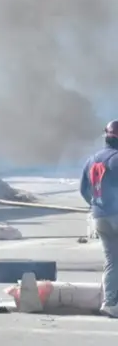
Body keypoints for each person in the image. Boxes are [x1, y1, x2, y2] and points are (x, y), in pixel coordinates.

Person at [80, 120, 118, 318]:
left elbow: (83, 190)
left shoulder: (92, 159)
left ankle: (110, 303)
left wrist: (96, 205)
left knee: (112, 261)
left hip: (99, 217)